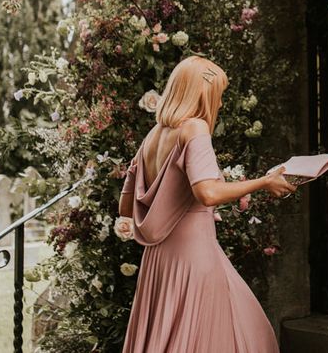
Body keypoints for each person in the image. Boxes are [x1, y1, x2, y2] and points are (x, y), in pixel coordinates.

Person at [119, 55, 296, 352]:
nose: (221, 104)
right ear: (202, 93)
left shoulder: (151, 137)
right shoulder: (195, 128)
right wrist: (264, 182)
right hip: (194, 258)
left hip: (159, 261)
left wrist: (228, 190)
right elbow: (208, 193)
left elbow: (127, 207)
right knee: (247, 335)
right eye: (219, 95)